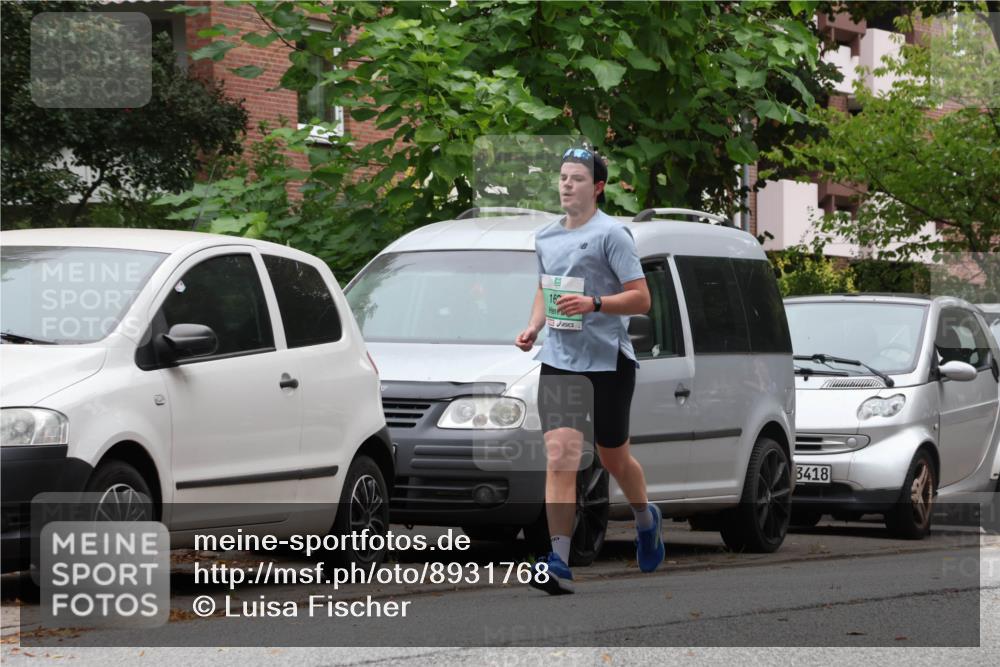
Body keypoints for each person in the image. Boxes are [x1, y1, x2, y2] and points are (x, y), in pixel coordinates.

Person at [515, 146, 663, 595]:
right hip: (560, 360)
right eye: (562, 177)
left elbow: (641, 299)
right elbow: (546, 288)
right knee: (561, 456)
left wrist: (596, 303)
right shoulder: (545, 237)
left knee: (614, 457)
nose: (566, 184)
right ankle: (557, 559)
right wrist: (533, 325)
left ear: (597, 187)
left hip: (608, 362)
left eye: (576, 178)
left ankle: (644, 517)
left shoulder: (612, 235)